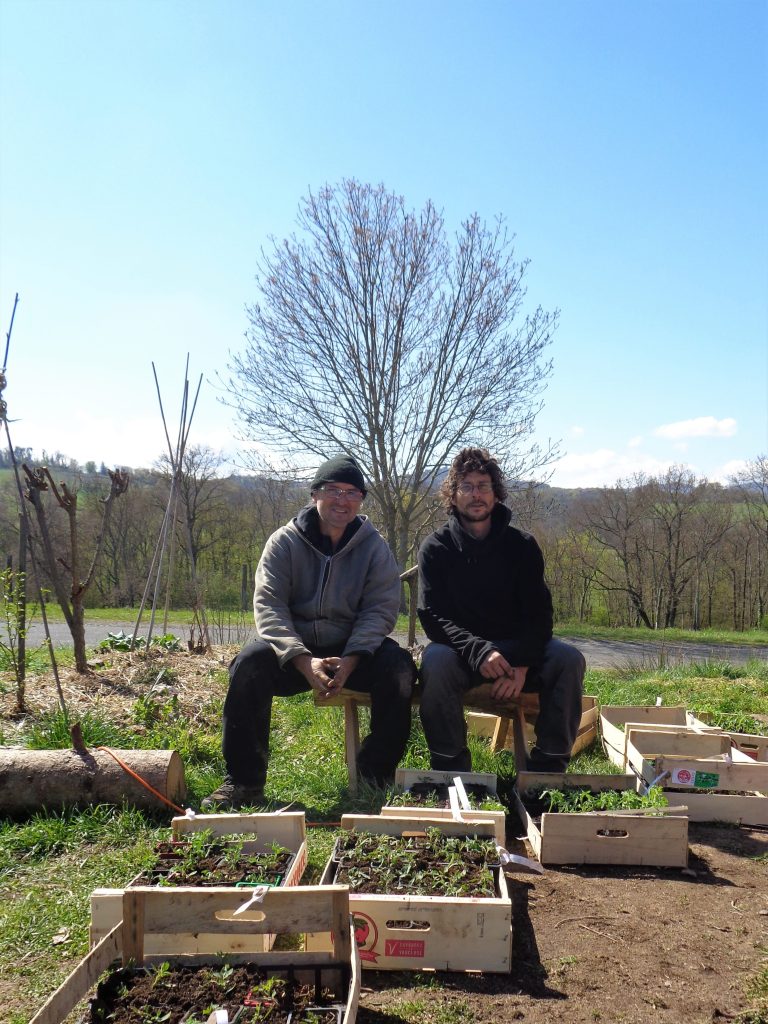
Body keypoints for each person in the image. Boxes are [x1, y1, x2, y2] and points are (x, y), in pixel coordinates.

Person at [203, 454, 417, 810]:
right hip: (293, 651)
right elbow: (269, 605)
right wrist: (302, 660)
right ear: (315, 493)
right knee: (249, 663)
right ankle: (244, 782)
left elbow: (380, 608)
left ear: (361, 500)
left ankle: (374, 779)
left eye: (352, 493)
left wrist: (352, 658)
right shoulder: (283, 542)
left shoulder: (374, 547)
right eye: (334, 490)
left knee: (399, 669)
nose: (342, 500)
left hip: (351, 651)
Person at [417, 447, 585, 774]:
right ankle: (452, 773)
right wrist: (481, 652)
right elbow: (434, 617)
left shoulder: (522, 546)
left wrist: (521, 663)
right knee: (434, 661)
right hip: (463, 655)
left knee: (568, 659)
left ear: (496, 493)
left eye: (483, 485)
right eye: (467, 486)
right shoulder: (435, 548)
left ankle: (547, 773)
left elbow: (540, 616)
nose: (476, 494)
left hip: (518, 651)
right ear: (453, 494)